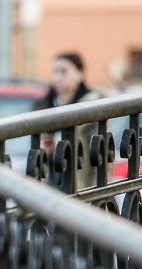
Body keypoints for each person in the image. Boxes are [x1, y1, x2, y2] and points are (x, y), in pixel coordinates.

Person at [33, 52, 103, 187]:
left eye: (64, 71)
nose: (57, 77)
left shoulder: (92, 105)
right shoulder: (44, 105)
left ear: (79, 74)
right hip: (52, 178)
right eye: (54, 71)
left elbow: (101, 150)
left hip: (81, 177)